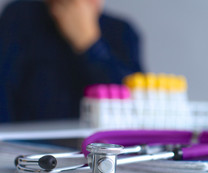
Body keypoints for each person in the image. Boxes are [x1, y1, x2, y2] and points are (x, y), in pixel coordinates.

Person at [0, 0, 143, 122]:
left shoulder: (122, 32)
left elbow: (135, 105)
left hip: (97, 147)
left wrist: (90, 44)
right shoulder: (19, 18)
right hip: (23, 147)